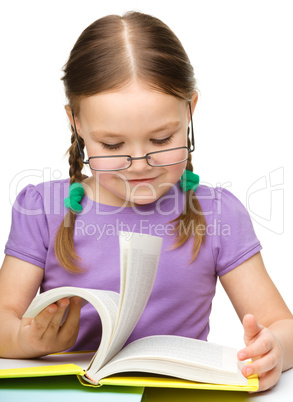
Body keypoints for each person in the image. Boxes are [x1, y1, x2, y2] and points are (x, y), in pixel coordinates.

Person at [0, 11, 292, 393]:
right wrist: (25, 340)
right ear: (76, 123)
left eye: (160, 140)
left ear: (189, 111)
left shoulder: (218, 212)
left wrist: (275, 351)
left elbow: (281, 325)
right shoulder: (41, 208)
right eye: (113, 145)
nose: (139, 166)